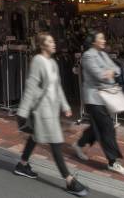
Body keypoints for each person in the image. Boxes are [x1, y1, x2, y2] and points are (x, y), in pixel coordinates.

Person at [15, 32, 88, 196]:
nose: (54, 43)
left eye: (53, 40)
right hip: (42, 109)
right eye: (50, 41)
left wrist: (65, 105)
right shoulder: (38, 61)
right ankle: (69, 180)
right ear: (42, 45)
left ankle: (22, 164)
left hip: (52, 109)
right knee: (55, 143)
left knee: (34, 137)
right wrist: (23, 111)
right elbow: (31, 86)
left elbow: (58, 87)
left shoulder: (53, 63)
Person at [73, 31, 124, 177]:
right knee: (107, 127)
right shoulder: (87, 56)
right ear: (93, 41)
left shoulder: (104, 54)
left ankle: (79, 144)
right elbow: (99, 75)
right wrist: (109, 72)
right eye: (101, 38)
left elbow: (117, 69)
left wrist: (109, 72)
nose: (104, 40)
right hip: (94, 98)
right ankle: (112, 162)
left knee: (97, 126)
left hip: (105, 96)